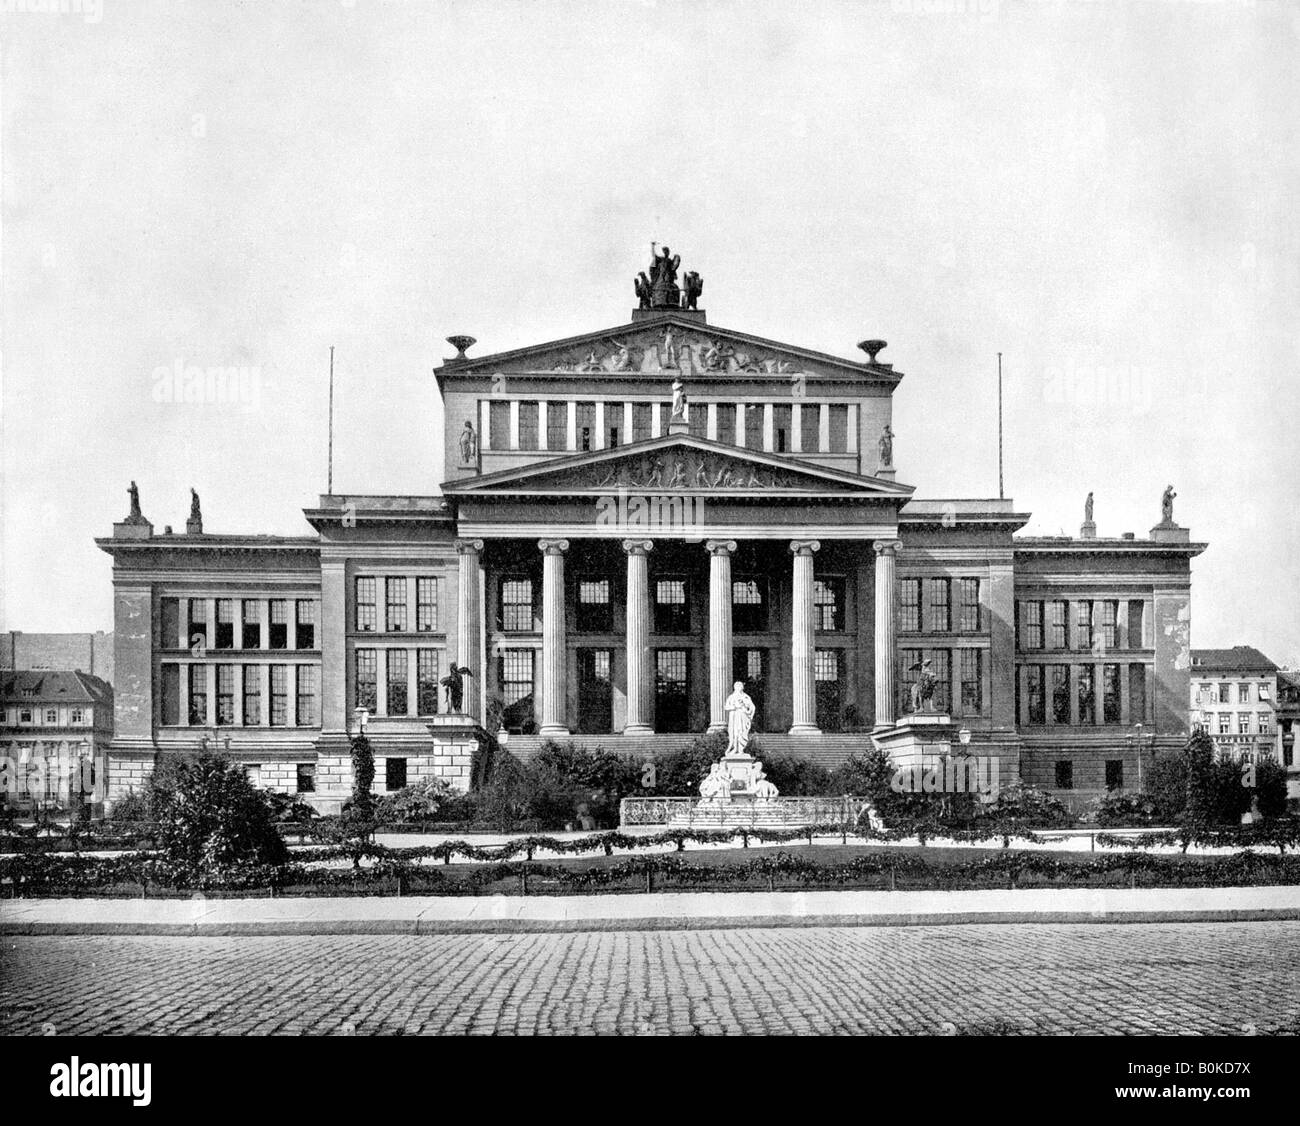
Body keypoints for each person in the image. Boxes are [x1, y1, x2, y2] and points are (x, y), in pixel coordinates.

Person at [724, 681, 755, 756]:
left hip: (742, 716)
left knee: (741, 732)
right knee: (735, 733)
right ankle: (735, 749)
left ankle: (740, 750)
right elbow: (726, 707)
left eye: (740, 686)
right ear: (735, 688)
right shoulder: (731, 697)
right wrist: (734, 707)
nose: (739, 687)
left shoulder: (746, 697)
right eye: (737, 686)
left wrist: (745, 708)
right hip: (734, 717)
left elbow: (752, 707)